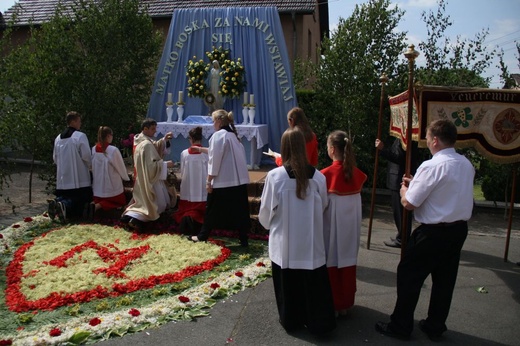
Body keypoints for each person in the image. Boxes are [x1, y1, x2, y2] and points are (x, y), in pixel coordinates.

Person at [375, 119, 475, 341]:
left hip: (433, 233)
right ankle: (435, 325)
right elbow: (444, 192)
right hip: (458, 230)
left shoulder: (432, 165)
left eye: (428, 139)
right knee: (445, 280)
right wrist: (417, 182)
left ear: (436, 140)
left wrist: (404, 189)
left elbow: (409, 203)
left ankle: (400, 326)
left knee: (408, 275)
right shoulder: (466, 164)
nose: (427, 142)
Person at [259, 128, 336, 335]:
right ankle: (318, 322)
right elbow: (323, 206)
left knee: (288, 285)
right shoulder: (318, 177)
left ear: (284, 148)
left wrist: (269, 224)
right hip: (311, 243)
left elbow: (265, 213)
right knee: (313, 286)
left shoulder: (275, 177)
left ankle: (291, 319)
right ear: (302, 147)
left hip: (285, 245)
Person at [321, 130, 367, 316]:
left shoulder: (324, 175)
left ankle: (333, 304)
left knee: (331, 262)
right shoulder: (356, 174)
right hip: (351, 231)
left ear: (332, 150)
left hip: (330, 230)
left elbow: (320, 206)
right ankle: (346, 303)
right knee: (347, 262)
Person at [188, 109, 250, 246]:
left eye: (213, 120)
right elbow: (217, 153)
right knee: (239, 211)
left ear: (219, 121)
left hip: (223, 181)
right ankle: (243, 239)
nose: (213, 124)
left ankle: (203, 236)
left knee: (211, 210)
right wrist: (200, 149)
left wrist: (209, 180)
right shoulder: (233, 136)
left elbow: (215, 159)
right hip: (238, 182)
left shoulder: (218, 136)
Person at [120, 118, 174, 231]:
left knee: (143, 200)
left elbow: (154, 147)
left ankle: (128, 217)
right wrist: (164, 165)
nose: (155, 131)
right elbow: (151, 166)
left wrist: (164, 140)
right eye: (153, 129)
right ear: (145, 129)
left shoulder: (140, 139)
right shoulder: (146, 144)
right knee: (157, 204)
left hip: (141, 175)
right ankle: (135, 220)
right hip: (149, 177)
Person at [48, 111, 92, 223]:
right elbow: (86, 155)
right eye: (78, 121)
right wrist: (90, 166)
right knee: (77, 198)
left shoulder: (58, 138)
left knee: (65, 194)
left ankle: (56, 202)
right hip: (78, 175)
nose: (80, 123)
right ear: (73, 121)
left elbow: (55, 157)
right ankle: (63, 206)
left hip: (63, 176)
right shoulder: (80, 136)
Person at [375, 137, 418, 248]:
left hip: (398, 178)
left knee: (400, 213)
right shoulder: (402, 138)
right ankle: (402, 236)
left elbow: (399, 157)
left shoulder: (405, 139)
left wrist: (382, 149)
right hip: (397, 177)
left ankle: (402, 239)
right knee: (399, 212)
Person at [173, 126, 208, 235]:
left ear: (190, 139)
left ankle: (188, 218)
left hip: (188, 186)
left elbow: (182, 171)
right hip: (203, 186)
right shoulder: (206, 152)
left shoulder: (184, 153)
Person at [89, 126, 130, 218]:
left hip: (98, 185)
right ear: (108, 136)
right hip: (111, 185)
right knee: (119, 202)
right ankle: (97, 206)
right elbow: (120, 166)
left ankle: (92, 204)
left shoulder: (94, 149)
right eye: (112, 135)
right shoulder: (112, 150)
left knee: (98, 198)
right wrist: (125, 177)